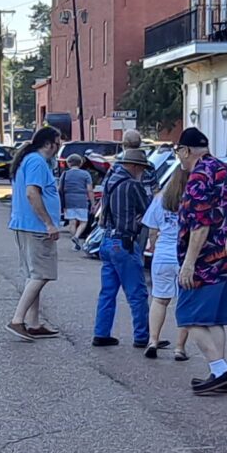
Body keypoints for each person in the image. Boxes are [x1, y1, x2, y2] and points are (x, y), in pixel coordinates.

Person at [167, 126, 227, 392]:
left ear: (186, 150)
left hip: (206, 259)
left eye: (179, 151)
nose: (179, 158)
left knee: (188, 316)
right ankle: (218, 377)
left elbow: (199, 224)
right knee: (214, 319)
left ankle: (220, 369)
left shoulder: (199, 175)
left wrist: (189, 263)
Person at [91, 144, 154, 349]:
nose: (143, 172)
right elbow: (147, 211)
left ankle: (101, 333)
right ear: (135, 166)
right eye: (142, 168)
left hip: (107, 240)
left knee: (107, 292)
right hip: (125, 242)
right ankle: (142, 337)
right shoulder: (132, 185)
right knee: (137, 293)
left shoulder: (110, 181)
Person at [6, 125, 62, 339]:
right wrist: (48, 222)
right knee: (41, 274)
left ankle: (34, 322)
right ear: (48, 144)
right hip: (36, 226)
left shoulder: (29, 160)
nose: (59, 147)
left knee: (33, 274)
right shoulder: (37, 162)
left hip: (25, 224)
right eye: (58, 142)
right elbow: (32, 193)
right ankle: (17, 319)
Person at [141, 176, 182, 359]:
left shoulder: (160, 198)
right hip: (184, 255)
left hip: (163, 252)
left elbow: (152, 230)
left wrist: (153, 246)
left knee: (159, 299)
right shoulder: (194, 197)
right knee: (184, 302)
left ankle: (153, 340)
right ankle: (180, 348)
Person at [59, 153, 96, 251]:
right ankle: (77, 236)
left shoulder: (65, 174)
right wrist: (93, 203)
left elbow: (60, 189)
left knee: (72, 222)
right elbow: (89, 190)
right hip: (81, 200)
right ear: (80, 164)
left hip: (68, 200)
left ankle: (74, 243)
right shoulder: (85, 174)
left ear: (69, 163)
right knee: (83, 221)